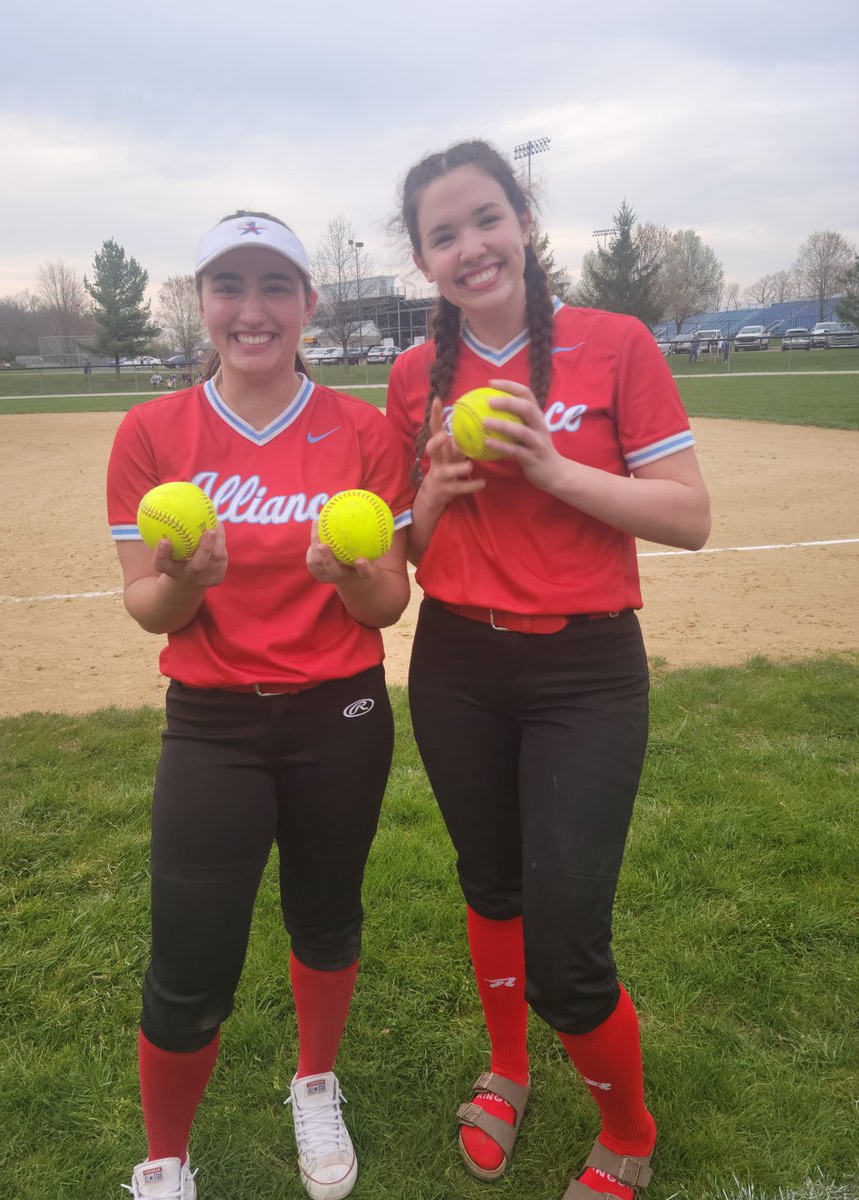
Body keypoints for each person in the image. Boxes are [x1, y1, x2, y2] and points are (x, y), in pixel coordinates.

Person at [386, 141, 710, 1199]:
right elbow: (407, 554)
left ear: (522, 216)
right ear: (424, 259)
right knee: (490, 884)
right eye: (444, 234)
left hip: (586, 669)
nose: (470, 246)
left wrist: (550, 468)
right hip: (458, 664)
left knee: (571, 948)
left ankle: (629, 1132)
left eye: (486, 218)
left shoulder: (614, 343)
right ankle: (509, 1069)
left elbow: (689, 517)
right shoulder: (409, 378)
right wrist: (433, 493)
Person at [107, 209, 413, 1200]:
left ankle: (314, 1084)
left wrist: (346, 577)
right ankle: (165, 1159)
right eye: (229, 288)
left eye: (275, 286)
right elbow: (149, 609)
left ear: (307, 305)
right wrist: (190, 582)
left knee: (326, 920)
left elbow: (389, 602)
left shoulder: (361, 431)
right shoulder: (153, 433)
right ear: (202, 306)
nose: (252, 309)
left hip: (341, 713)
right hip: (214, 722)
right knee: (190, 959)